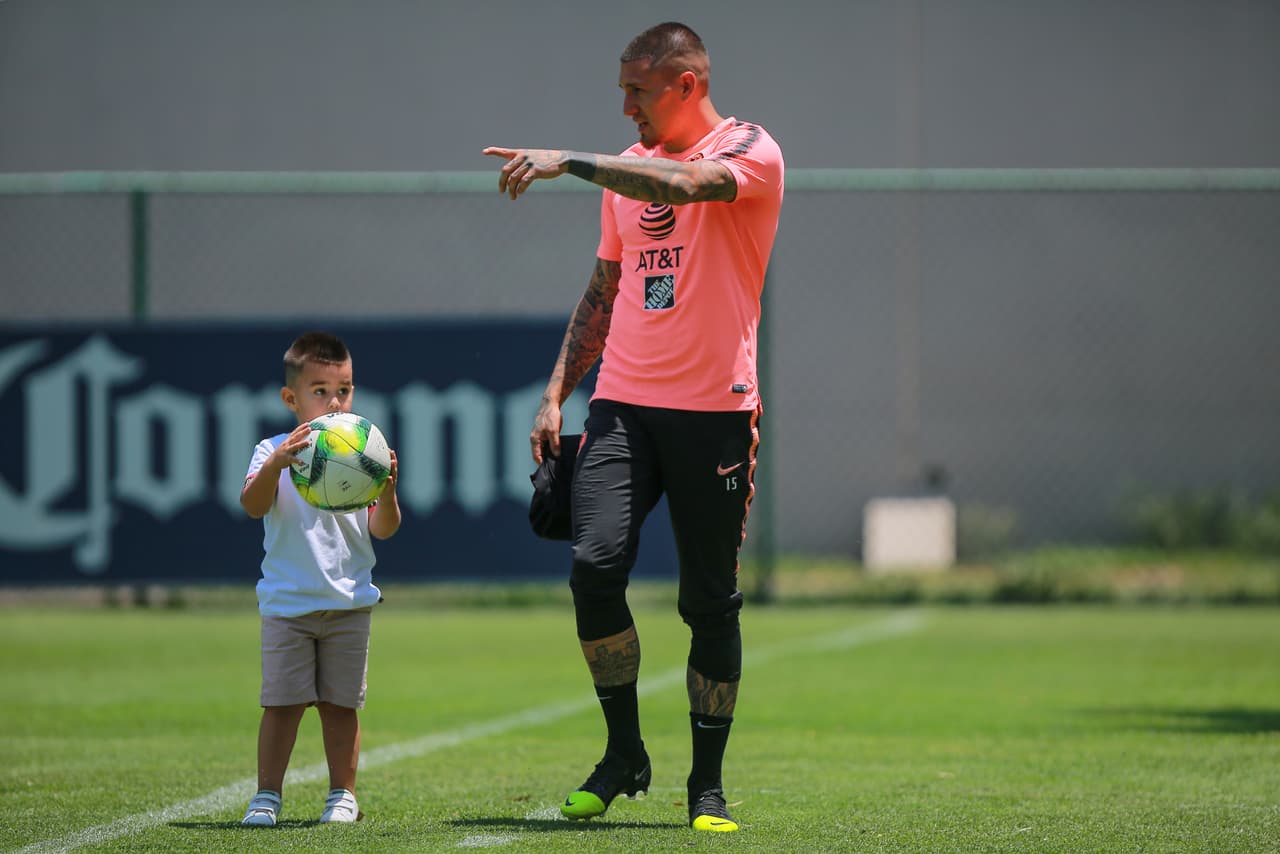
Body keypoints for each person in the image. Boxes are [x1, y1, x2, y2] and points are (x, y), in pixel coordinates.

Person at [483, 21, 783, 833]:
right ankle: (624, 755)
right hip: (623, 404)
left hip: (717, 411)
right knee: (594, 565)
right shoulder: (625, 175)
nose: (626, 108)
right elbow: (604, 292)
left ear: (685, 84)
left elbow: (683, 189)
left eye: (637, 91)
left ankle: (706, 787)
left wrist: (567, 161)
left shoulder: (751, 148)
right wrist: (555, 393)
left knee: (709, 603)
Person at [238, 331, 401, 827]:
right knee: (282, 705)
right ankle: (267, 795)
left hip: (349, 601)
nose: (335, 401)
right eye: (320, 390)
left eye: (345, 389)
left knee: (340, 706)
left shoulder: (362, 450)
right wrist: (276, 466)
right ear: (291, 398)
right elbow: (252, 506)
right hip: (288, 605)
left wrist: (389, 489)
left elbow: (384, 529)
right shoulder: (271, 448)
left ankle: (342, 795)